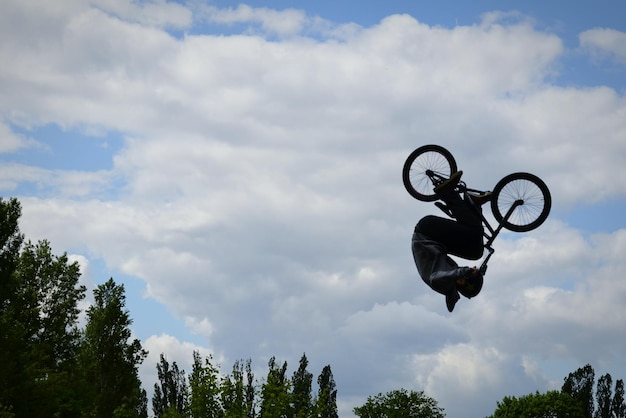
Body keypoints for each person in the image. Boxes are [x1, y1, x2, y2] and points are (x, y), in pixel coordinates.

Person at [411, 170, 490, 312]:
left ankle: (448, 192)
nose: (462, 275)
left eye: (464, 278)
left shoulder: (441, 283)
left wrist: (465, 272)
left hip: (427, 233)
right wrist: (480, 272)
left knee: (474, 238)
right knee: (476, 250)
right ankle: (473, 204)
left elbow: (436, 277)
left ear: (462, 282)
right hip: (434, 239)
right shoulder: (452, 282)